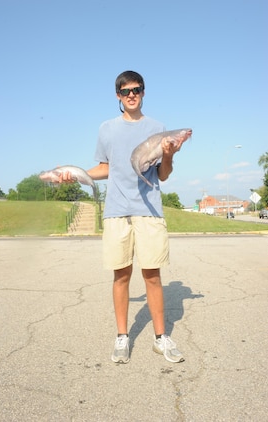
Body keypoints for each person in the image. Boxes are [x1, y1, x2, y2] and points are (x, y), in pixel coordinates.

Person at [59, 70, 186, 364]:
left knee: (152, 276)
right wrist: (76, 176)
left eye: (137, 89)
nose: (132, 94)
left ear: (143, 92)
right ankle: (122, 337)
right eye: (126, 90)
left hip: (149, 211)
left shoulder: (159, 128)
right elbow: (107, 168)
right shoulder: (106, 129)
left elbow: (163, 175)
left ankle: (160, 338)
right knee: (121, 276)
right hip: (116, 211)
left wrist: (168, 155)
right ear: (118, 96)